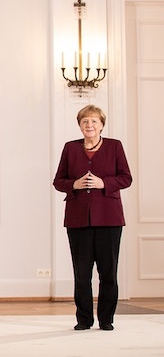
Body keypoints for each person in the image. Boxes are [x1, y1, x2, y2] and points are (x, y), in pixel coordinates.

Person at [53, 105, 132, 331]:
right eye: (85, 121)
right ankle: (84, 319)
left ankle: (106, 319)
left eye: (94, 121)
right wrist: (74, 185)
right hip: (78, 220)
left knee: (108, 272)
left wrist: (104, 183)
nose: (90, 125)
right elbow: (58, 181)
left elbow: (126, 178)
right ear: (80, 125)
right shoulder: (70, 148)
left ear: (101, 125)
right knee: (82, 274)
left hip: (110, 219)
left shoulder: (115, 146)